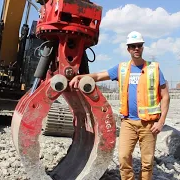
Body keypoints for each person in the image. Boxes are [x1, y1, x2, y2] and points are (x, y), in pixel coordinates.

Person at [69, 31, 170, 180]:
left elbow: (166, 96)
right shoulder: (122, 69)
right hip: (128, 122)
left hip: (148, 124)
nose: (136, 48)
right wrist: (80, 77)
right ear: (128, 49)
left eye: (139, 46)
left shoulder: (153, 69)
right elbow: (98, 76)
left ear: (142, 48)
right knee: (123, 157)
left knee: (147, 162)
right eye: (133, 46)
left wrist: (161, 122)